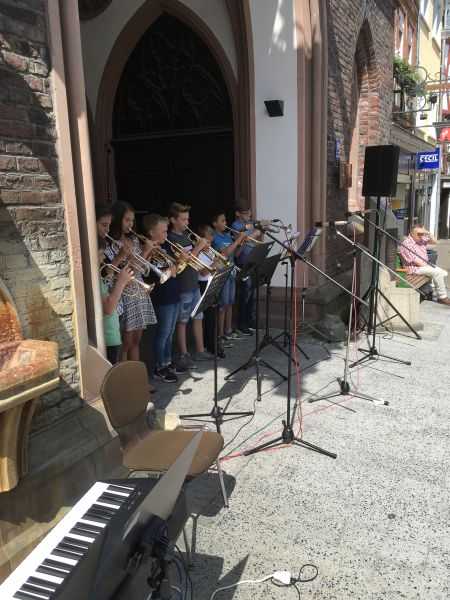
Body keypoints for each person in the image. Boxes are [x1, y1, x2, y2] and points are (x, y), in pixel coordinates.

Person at [105, 201, 157, 360]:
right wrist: (121, 256)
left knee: (136, 340)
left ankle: (137, 380)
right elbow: (108, 273)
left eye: (132, 220)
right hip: (124, 295)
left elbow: (141, 268)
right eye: (127, 220)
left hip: (139, 291)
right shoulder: (108, 243)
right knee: (126, 342)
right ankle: (125, 379)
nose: (130, 224)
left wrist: (148, 253)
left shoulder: (134, 240)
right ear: (117, 219)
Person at [168, 202, 213, 369]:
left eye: (188, 219)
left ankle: (200, 351)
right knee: (182, 321)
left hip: (194, 283)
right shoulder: (172, 239)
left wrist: (201, 250)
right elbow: (181, 263)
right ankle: (183, 354)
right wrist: (198, 248)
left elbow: (193, 260)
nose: (187, 223)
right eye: (183, 219)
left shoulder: (187, 236)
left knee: (198, 317)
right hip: (183, 286)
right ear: (173, 220)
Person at [142, 213, 185, 383]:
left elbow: (174, 269)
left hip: (173, 294)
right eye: (163, 231)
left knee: (170, 332)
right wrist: (170, 271)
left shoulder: (165, 248)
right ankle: (160, 367)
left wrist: (178, 262)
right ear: (152, 233)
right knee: (163, 333)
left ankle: (167, 362)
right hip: (162, 298)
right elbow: (151, 275)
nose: (166, 235)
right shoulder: (149, 251)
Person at [211, 212, 247, 343]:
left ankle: (228, 330)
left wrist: (242, 244)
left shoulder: (227, 236)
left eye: (225, 220)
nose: (225, 223)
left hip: (231, 272)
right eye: (222, 221)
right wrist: (238, 240)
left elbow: (235, 254)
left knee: (230, 303)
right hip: (222, 273)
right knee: (222, 304)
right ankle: (220, 335)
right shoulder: (215, 238)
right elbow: (224, 254)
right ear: (215, 224)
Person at [98, 242, 134, 364]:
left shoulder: (98, 277)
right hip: (108, 339)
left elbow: (109, 298)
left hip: (112, 336)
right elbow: (108, 308)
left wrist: (121, 283)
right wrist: (121, 282)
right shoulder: (96, 279)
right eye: (101, 254)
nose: (103, 258)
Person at [231, 205, 264, 334]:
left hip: (253, 259)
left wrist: (262, 232)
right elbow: (242, 241)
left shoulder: (250, 223)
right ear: (238, 213)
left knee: (252, 293)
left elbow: (256, 239)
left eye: (249, 212)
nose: (248, 216)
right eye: (245, 213)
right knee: (245, 293)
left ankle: (251, 321)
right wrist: (255, 234)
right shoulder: (236, 226)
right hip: (243, 261)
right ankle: (242, 323)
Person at [399, 225, 450, 305]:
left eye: (422, 234)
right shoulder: (407, 243)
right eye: (419, 234)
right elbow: (418, 263)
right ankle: (442, 297)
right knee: (437, 273)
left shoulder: (420, 238)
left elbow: (435, 242)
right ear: (412, 233)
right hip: (414, 268)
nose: (421, 235)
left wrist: (428, 232)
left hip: (423, 266)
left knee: (443, 273)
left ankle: (431, 291)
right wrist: (430, 267)